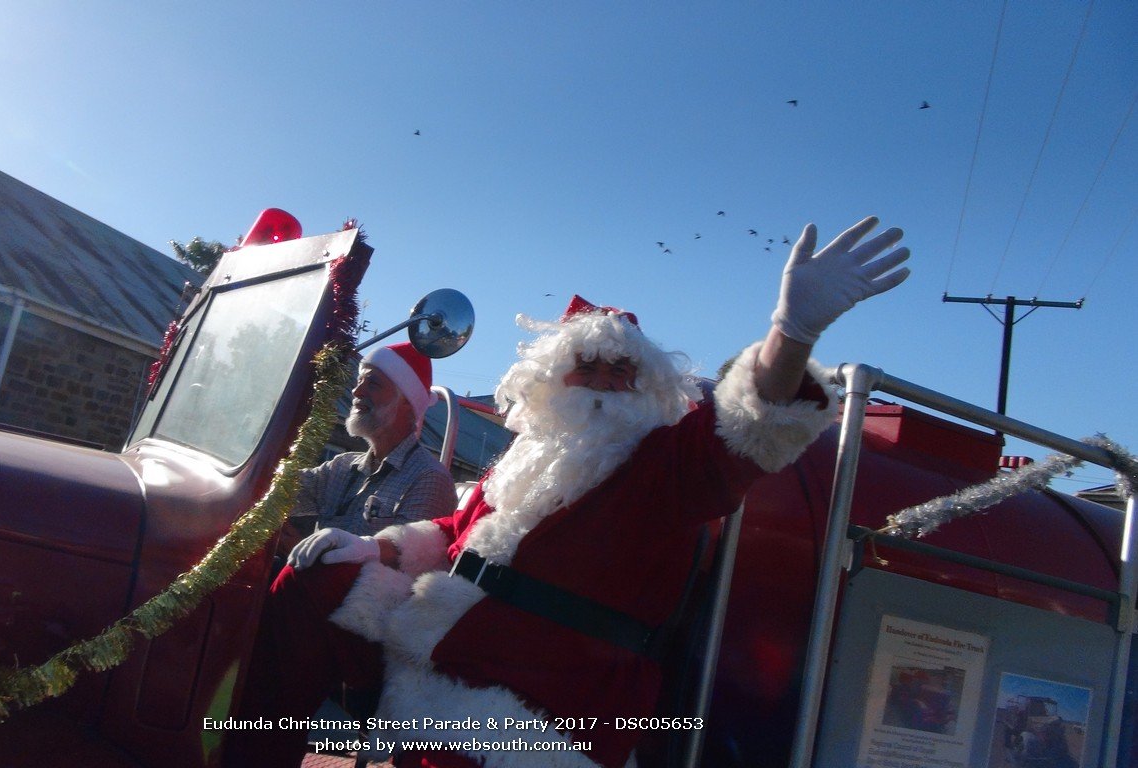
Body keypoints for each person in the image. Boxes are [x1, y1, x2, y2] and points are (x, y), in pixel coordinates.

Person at [223, 216, 911, 768]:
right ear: (554, 381)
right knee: (305, 588)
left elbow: (743, 431)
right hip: (442, 640)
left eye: (623, 372)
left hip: (540, 702)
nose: (606, 381)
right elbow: (452, 534)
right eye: (588, 367)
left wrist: (789, 334)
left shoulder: (658, 467)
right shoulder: (522, 461)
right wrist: (370, 547)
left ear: (648, 390)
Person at [279, 341, 457, 554]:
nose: (356, 391)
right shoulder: (342, 466)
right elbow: (281, 489)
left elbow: (398, 570)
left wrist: (304, 554)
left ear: (407, 401)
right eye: (359, 381)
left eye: (372, 383)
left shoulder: (429, 479)